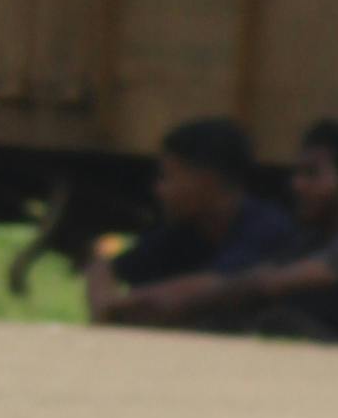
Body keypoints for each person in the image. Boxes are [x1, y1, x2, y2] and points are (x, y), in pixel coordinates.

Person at [129, 121, 338, 351]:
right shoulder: (314, 241)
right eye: (297, 173)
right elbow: (245, 279)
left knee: (278, 323)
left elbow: (266, 284)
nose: (296, 184)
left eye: (312, 174)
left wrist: (175, 305)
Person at [81, 119, 300, 323]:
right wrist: (107, 306)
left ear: (206, 180)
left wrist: (126, 303)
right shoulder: (187, 230)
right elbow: (104, 269)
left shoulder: (266, 227)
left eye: (168, 177)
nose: (159, 190)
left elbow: (216, 286)